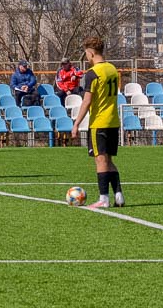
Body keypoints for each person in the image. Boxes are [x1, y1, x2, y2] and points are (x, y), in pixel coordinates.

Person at [72, 37, 124, 208]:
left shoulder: (92, 73)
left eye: (86, 53)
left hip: (99, 123)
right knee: (109, 159)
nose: (86, 57)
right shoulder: (112, 69)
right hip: (113, 121)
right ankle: (118, 195)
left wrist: (76, 123)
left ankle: (103, 199)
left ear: (91, 52)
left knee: (100, 160)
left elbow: (87, 102)